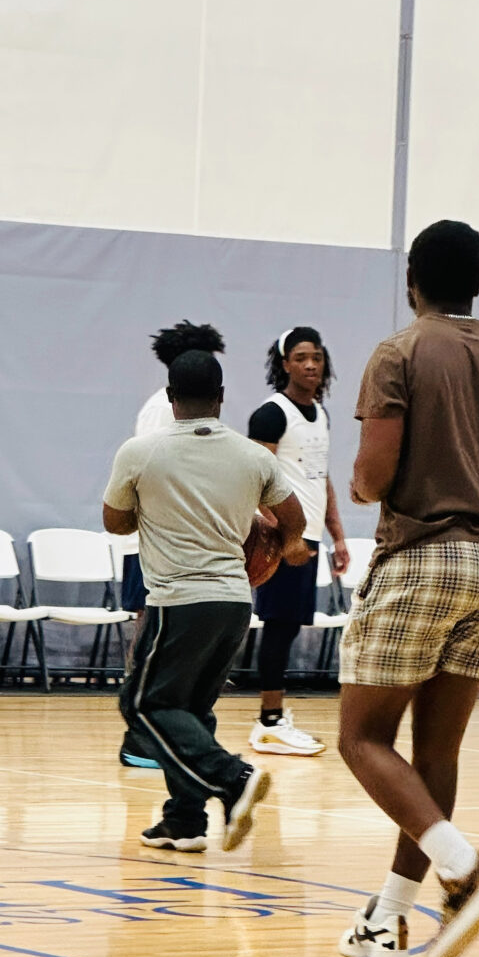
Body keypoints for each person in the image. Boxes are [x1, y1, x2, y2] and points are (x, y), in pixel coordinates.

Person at [337, 219, 479, 957]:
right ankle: (386, 922)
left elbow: (374, 474)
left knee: (361, 738)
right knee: (438, 754)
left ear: (411, 279)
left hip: (425, 554)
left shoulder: (401, 351)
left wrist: (361, 487)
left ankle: (464, 870)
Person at [104, 349, 309, 852]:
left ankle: (234, 780)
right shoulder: (253, 456)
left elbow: (115, 521)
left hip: (178, 601)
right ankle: (185, 819)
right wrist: (272, 551)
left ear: (170, 397)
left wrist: (153, 513)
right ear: (221, 397)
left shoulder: (140, 452)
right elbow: (295, 520)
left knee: (143, 702)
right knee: (191, 708)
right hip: (236, 602)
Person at [119, 320, 226, 769]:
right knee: (152, 641)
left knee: (159, 641)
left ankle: (157, 735)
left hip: (165, 543)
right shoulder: (168, 415)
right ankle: (142, 738)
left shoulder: (184, 412)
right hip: (157, 544)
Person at [247, 327, 349, 756]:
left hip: (307, 537)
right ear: (285, 363)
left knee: (287, 627)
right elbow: (256, 481)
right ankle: (269, 722)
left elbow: (320, 479)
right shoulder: (271, 414)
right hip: (280, 538)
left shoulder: (321, 414)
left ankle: (274, 719)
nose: (311, 365)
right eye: (301, 357)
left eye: (318, 357)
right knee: (278, 626)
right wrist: (282, 537)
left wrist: (338, 536)